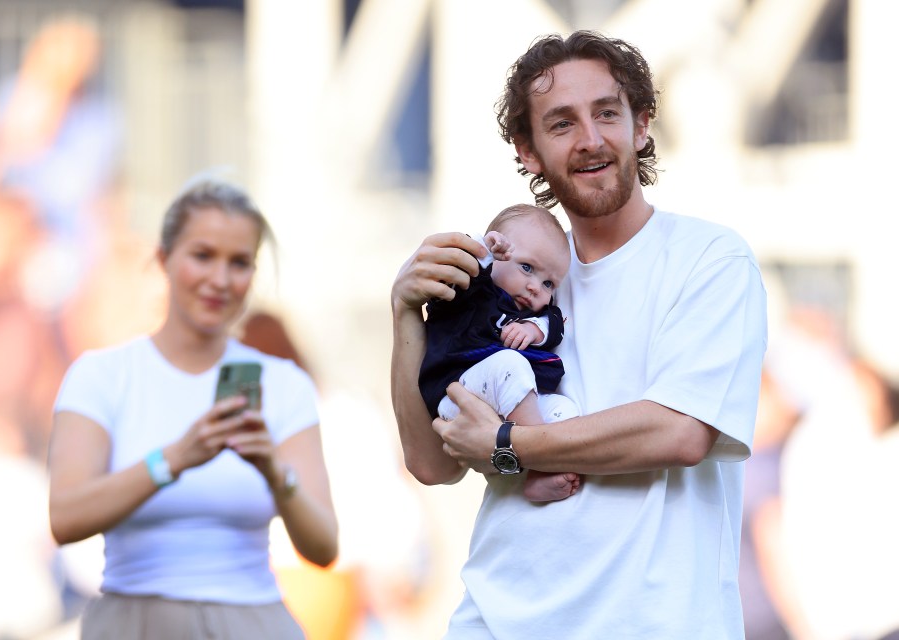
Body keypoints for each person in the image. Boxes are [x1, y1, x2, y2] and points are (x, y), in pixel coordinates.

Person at [390, 30, 767, 639]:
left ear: (642, 125)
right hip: (494, 622)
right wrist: (407, 315)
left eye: (608, 114)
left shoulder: (710, 258)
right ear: (528, 151)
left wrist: (510, 445)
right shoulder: (509, 276)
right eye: (561, 123)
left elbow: (681, 430)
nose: (591, 139)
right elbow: (433, 463)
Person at [48, 179, 338, 640]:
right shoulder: (102, 375)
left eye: (239, 262)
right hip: (135, 619)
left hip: (252, 618)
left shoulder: (284, 383)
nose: (220, 280)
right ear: (164, 259)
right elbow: (65, 518)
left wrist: (273, 471)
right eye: (203, 255)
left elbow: (324, 548)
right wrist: (175, 459)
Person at [419, 203, 581, 502]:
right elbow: (452, 279)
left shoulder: (534, 315)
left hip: (507, 411)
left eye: (548, 283)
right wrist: (483, 251)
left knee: (564, 410)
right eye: (527, 268)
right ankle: (541, 468)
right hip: (458, 395)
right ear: (498, 257)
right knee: (509, 362)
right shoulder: (474, 292)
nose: (535, 288)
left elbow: (554, 324)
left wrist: (535, 329)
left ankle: (530, 477)